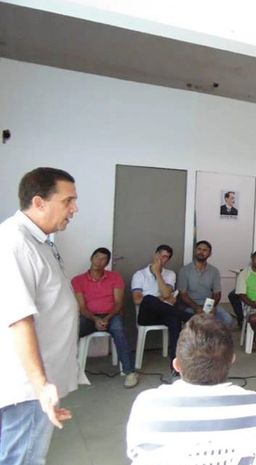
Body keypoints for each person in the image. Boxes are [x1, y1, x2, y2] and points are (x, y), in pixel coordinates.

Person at [0, 167, 79, 465]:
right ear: (39, 202)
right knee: (23, 458)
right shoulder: (15, 241)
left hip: (39, 379)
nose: (74, 209)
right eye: (68, 201)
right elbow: (19, 318)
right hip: (28, 385)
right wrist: (40, 385)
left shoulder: (40, 240)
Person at [126, 315, 256, 461]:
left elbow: (136, 455)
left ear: (176, 365)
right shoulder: (253, 403)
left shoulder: (148, 404)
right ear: (232, 360)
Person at [72, 247, 138, 388]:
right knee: (71, 332)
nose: (99, 261)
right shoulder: (78, 280)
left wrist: (107, 318)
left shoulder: (115, 277)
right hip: (89, 317)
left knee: (119, 331)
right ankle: (66, 369)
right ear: (91, 258)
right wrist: (95, 319)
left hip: (111, 315)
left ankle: (130, 372)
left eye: (103, 259)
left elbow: (119, 303)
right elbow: (82, 307)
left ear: (107, 263)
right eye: (97, 257)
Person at [132, 244, 191, 368]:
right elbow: (137, 300)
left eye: (165, 257)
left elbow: (166, 294)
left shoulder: (170, 274)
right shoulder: (140, 274)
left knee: (175, 319)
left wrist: (157, 273)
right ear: (155, 255)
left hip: (164, 314)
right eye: (160, 255)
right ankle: (190, 317)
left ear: (168, 260)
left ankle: (175, 366)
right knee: (148, 299)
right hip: (146, 315)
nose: (161, 259)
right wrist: (161, 299)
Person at [177, 240, 233, 326]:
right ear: (195, 251)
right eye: (199, 249)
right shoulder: (184, 270)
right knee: (200, 323)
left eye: (205, 250)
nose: (201, 252)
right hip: (191, 306)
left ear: (209, 254)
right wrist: (196, 308)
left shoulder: (214, 271)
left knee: (227, 320)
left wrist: (210, 307)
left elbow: (217, 293)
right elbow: (183, 295)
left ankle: (213, 334)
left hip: (209, 304)